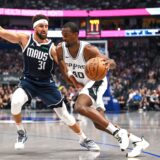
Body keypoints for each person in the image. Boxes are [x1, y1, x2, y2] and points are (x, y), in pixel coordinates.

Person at [0, 15, 100, 151]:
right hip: (28, 82)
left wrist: (72, 77)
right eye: (41, 26)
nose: (44, 29)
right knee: (15, 102)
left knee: (65, 115)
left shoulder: (52, 48)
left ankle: (83, 139)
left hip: (46, 84)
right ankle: (21, 132)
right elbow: (3, 32)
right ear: (34, 27)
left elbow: (63, 65)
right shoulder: (24, 39)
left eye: (46, 26)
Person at [56, 22, 149, 158]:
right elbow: (62, 66)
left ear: (76, 35)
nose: (64, 38)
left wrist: (108, 63)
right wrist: (73, 81)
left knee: (79, 106)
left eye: (67, 36)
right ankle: (138, 141)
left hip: (97, 81)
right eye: (62, 35)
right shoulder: (60, 49)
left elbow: (112, 62)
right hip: (85, 84)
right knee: (99, 124)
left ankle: (119, 133)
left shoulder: (89, 49)